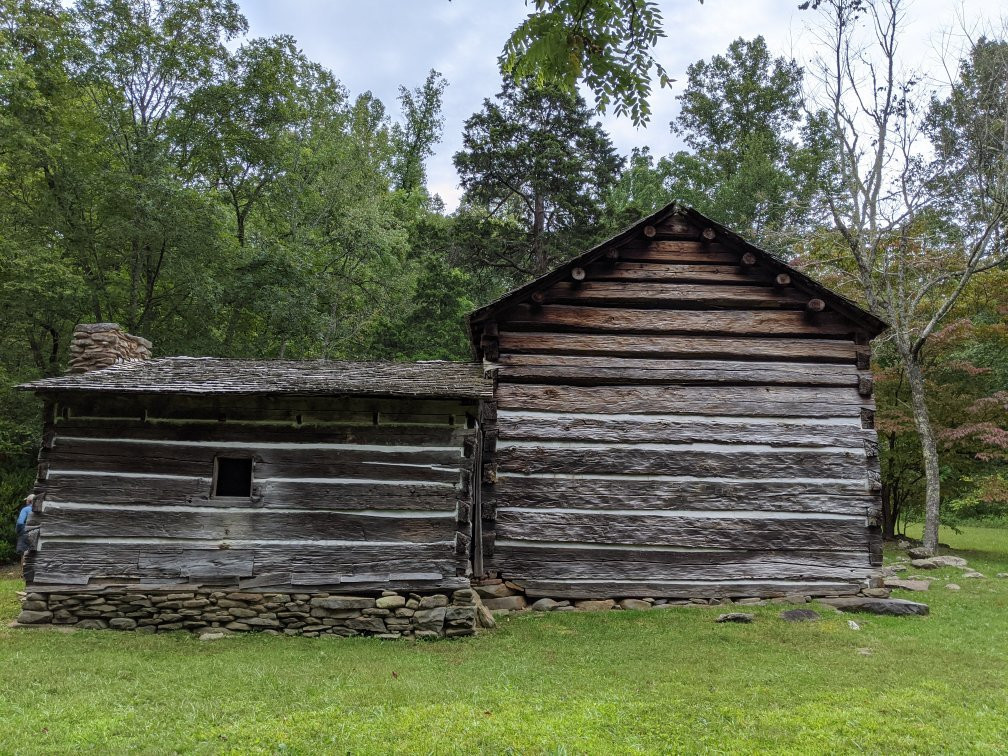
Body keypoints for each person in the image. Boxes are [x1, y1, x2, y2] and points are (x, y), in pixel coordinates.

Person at [15, 494, 34, 573]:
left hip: (25, 532)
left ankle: (24, 573)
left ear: (29, 501)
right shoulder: (41, 510)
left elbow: (20, 523)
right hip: (37, 533)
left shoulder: (25, 509)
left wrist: (18, 531)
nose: (25, 502)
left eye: (26, 500)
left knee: (24, 554)